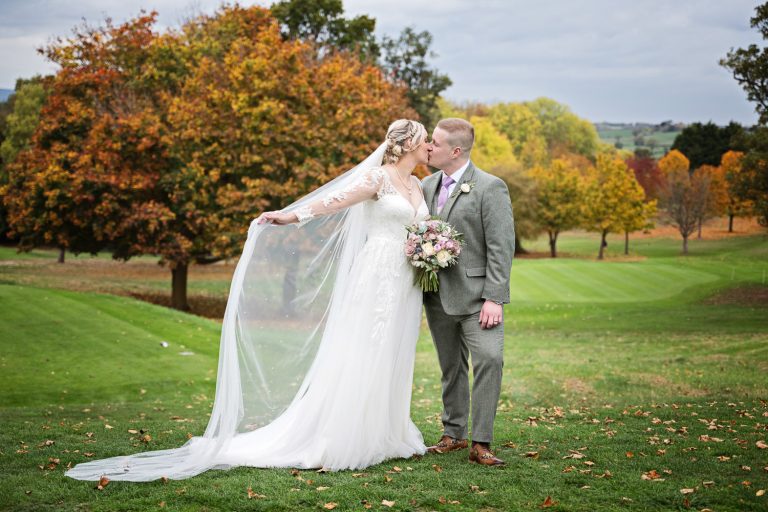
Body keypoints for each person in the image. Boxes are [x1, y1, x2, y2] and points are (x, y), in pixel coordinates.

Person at [65, 119, 432, 481]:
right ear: (409, 143)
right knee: (364, 349)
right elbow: (332, 202)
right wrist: (290, 216)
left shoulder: (416, 183)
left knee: (393, 351)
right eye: (425, 140)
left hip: (406, 280)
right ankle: (348, 436)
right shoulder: (377, 178)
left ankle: (386, 433)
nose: (428, 145)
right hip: (376, 275)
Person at [421, 118, 515, 466]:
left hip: (479, 299)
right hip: (437, 298)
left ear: (455, 150)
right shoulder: (426, 185)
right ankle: (453, 434)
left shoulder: (491, 187)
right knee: (451, 366)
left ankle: (482, 442)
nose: (429, 147)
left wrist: (495, 297)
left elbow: (501, 246)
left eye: (435, 142)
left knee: (490, 359)